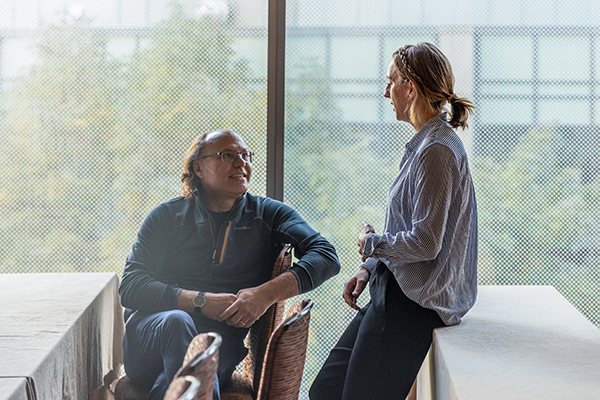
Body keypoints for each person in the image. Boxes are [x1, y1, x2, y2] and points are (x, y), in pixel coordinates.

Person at [118, 129, 341, 400]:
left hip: (219, 347)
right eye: (227, 155)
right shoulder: (166, 216)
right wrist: (200, 301)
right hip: (152, 338)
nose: (241, 163)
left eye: (246, 155)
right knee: (178, 322)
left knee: (185, 375)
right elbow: (130, 286)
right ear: (198, 168)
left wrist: (264, 295)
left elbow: (326, 255)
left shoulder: (269, 214)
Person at [309, 42, 478, 400]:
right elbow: (411, 226)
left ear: (410, 87)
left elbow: (426, 242)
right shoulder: (423, 144)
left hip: (413, 307)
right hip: (394, 287)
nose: (386, 92)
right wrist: (370, 265)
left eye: (391, 82)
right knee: (325, 390)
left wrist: (371, 243)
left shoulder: (437, 151)